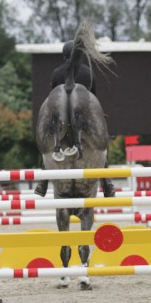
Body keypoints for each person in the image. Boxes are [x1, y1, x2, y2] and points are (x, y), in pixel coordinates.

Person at [35, 40, 116, 198]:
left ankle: (43, 180)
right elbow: (94, 102)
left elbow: (54, 103)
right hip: (82, 122)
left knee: (48, 141)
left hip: (62, 124)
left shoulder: (57, 73)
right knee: (103, 144)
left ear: (64, 55)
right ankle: (107, 182)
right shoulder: (88, 73)